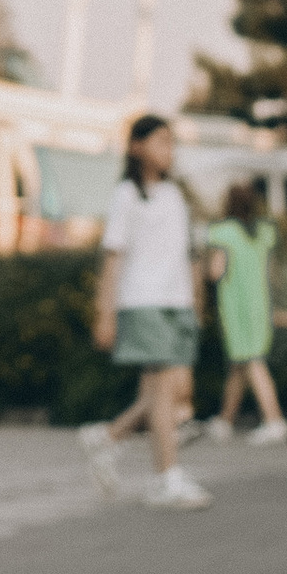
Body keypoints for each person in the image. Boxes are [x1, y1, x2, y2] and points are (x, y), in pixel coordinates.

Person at [81, 114, 208, 509]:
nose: (168, 150)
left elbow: (188, 254)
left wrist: (196, 301)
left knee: (166, 394)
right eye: (160, 141)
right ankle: (167, 477)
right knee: (165, 391)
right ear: (137, 147)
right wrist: (105, 312)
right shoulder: (126, 195)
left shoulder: (174, 195)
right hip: (142, 302)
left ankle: (107, 438)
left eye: (172, 142)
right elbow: (113, 256)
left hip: (176, 303)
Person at [200, 178, 287, 446]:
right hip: (260, 304)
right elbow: (272, 272)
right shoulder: (264, 232)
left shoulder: (223, 232)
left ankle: (274, 420)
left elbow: (215, 272)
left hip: (236, 307)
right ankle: (225, 420)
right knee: (240, 363)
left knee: (251, 360)